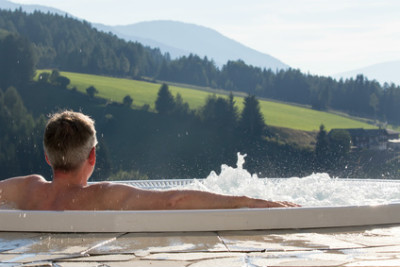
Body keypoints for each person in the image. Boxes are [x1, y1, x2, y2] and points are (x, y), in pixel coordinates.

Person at [0, 111, 299, 210]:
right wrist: (243, 201)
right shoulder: (100, 195)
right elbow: (174, 200)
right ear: (92, 156)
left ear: (46, 156)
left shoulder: (27, 189)